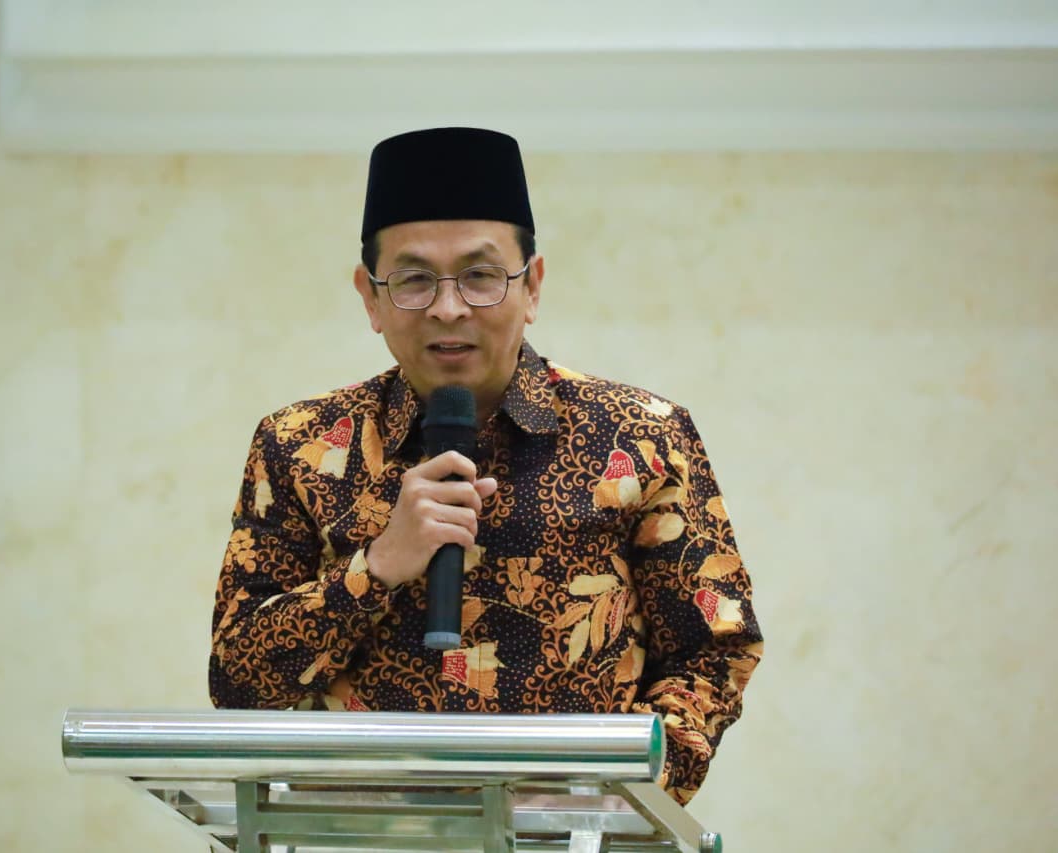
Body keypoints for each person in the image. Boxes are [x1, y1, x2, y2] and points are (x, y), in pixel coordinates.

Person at [209, 127, 762, 805]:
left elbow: (713, 653)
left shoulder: (643, 436)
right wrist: (375, 567)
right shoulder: (298, 446)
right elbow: (237, 680)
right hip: (359, 841)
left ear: (531, 286)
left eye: (480, 275)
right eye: (413, 279)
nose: (448, 306)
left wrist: (621, 794)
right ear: (370, 297)